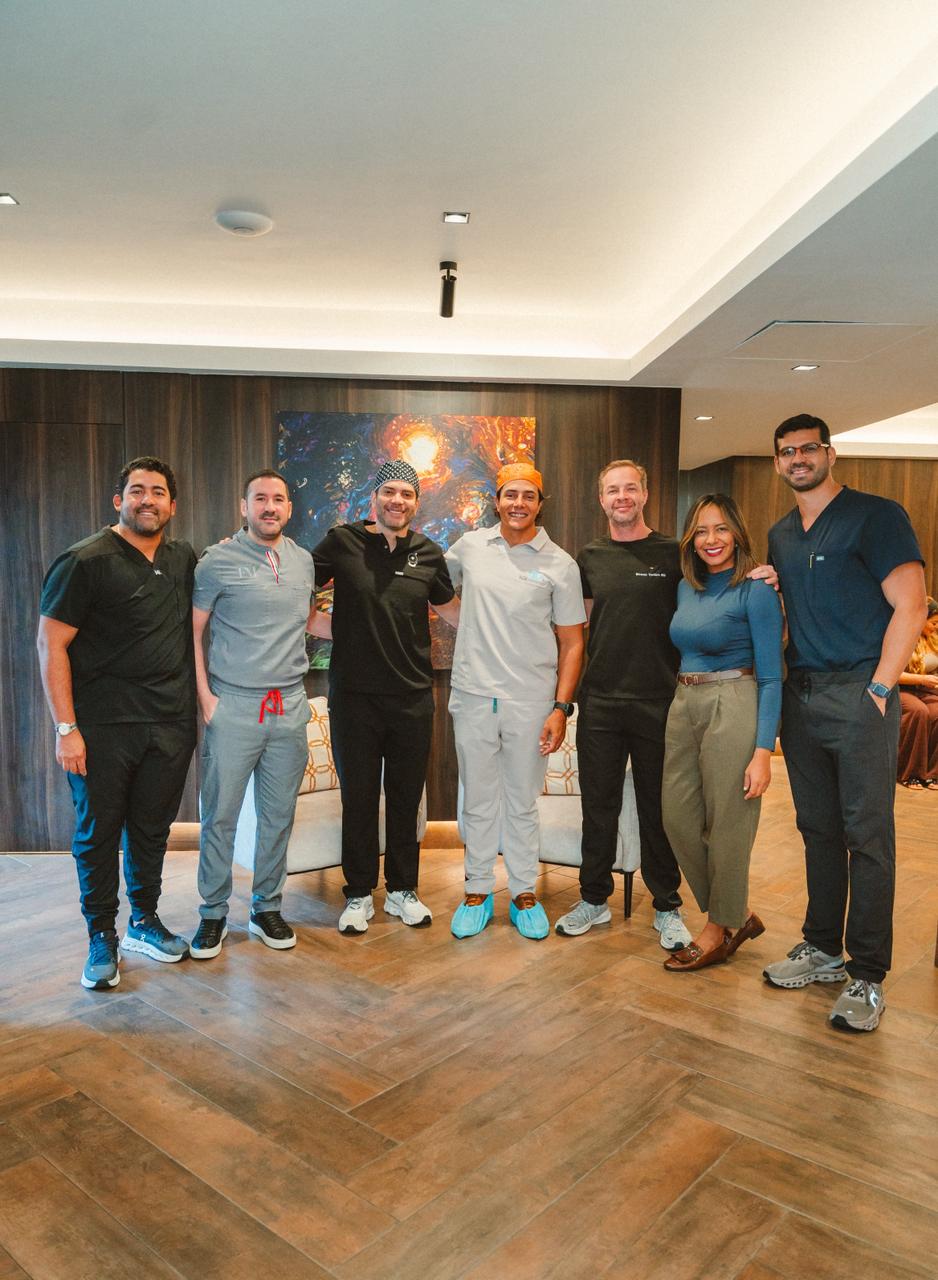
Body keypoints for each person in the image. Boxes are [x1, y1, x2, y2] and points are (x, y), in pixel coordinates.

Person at [762, 414, 927, 1033]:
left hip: (860, 695)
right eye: (787, 452)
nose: (798, 459)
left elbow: (912, 604)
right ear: (777, 463)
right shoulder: (781, 534)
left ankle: (868, 974)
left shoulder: (876, 516)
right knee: (818, 830)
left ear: (830, 454)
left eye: (809, 448)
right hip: (802, 698)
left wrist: (880, 688)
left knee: (868, 836)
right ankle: (823, 947)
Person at [37, 457, 196, 990]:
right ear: (118, 500)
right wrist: (66, 729)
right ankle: (101, 935)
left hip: (169, 724)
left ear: (172, 505)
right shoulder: (83, 561)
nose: (147, 500)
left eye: (158, 492)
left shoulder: (182, 558)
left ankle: (143, 921)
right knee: (98, 833)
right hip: (101, 727)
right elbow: (50, 645)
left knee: (151, 830)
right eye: (137, 490)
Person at [311, 460, 459, 935]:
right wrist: (324, 626)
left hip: (412, 698)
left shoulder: (428, 552)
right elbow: (294, 585)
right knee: (358, 799)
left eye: (407, 494)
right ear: (374, 497)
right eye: (389, 492)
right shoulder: (342, 541)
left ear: (417, 502)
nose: (398, 500)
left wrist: (511, 618)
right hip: (354, 698)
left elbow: (453, 611)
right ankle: (358, 894)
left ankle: (402, 890)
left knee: (405, 798)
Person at [554, 459, 693, 950]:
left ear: (645, 494)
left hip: (659, 701)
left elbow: (715, 588)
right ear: (601, 499)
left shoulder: (675, 553)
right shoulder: (589, 557)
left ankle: (667, 906)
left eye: (630, 488)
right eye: (612, 490)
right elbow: (577, 630)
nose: (622, 497)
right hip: (601, 704)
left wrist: (760, 575)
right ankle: (593, 900)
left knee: (658, 809)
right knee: (599, 807)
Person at [446, 462, 585, 940]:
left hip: (531, 700)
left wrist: (560, 708)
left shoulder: (560, 565)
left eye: (528, 496)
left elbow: (572, 643)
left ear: (540, 504)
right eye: (510, 494)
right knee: (478, 800)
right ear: (497, 500)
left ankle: (525, 892)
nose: (518, 503)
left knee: (522, 801)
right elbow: (427, 583)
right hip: (473, 694)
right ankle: (477, 891)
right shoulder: (470, 547)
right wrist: (465, 621)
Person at [189, 470, 315, 959]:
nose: (269, 507)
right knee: (220, 815)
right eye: (259, 499)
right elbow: (193, 631)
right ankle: (213, 913)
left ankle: (266, 908)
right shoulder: (216, 561)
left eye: (278, 499)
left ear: (288, 508)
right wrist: (206, 697)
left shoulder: (303, 561)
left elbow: (306, 620)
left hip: (289, 706)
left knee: (277, 816)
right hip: (234, 705)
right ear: (244, 507)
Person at [660, 494, 783, 971]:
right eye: (701, 531)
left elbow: (771, 676)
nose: (711, 540)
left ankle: (717, 929)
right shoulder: (686, 587)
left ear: (737, 533)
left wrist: (763, 751)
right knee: (677, 817)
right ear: (691, 539)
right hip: (684, 702)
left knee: (730, 823)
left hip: (734, 700)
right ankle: (738, 912)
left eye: (721, 529)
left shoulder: (755, 589)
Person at [897, 597, 938, 789]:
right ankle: (910, 772)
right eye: (934, 623)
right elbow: (894, 674)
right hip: (902, 688)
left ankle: (933, 773)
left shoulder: (933, 640)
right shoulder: (902, 638)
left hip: (925, 689)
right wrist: (922, 679)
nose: (936, 627)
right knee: (918, 711)